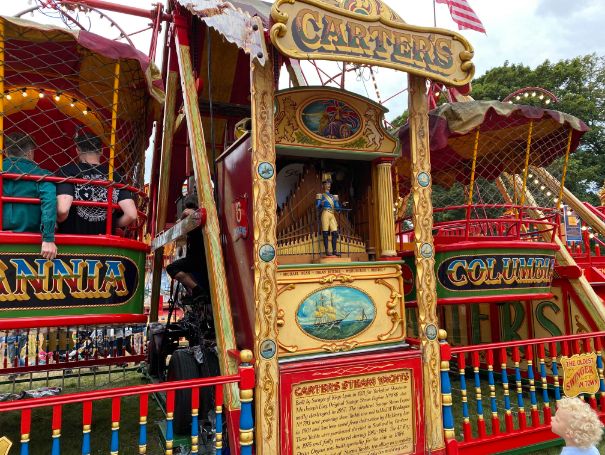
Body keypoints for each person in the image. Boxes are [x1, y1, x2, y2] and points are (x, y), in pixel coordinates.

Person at [56, 131, 137, 235]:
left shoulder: (68, 171)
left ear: (77, 150)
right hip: (104, 241)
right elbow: (131, 214)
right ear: (101, 151)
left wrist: (55, 221)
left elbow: (63, 210)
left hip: (73, 241)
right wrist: (112, 223)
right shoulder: (114, 176)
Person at [2, 132, 57, 259]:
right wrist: (48, 237)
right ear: (30, 152)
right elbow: (49, 201)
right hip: (31, 238)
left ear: (5, 151)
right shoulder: (42, 175)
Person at [166, 194, 208, 302]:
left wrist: (181, 219)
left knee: (171, 268)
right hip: (200, 256)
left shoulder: (192, 213)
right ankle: (195, 291)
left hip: (198, 257)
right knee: (183, 269)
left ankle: (197, 290)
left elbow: (186, 213)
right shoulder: (201, 215)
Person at [316, 174, 341, 257]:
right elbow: (317, 206)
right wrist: (321, 204)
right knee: (325, 232)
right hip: (325, 213)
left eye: (329, 184)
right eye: (327, 184)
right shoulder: (321, 196)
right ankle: (327, 250)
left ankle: (334, 250)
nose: (328, 185)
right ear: (323, 185)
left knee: (335, 232)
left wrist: (341, 206)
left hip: (332, 214)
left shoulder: (334, 197)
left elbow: (337, 208)